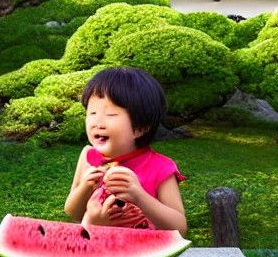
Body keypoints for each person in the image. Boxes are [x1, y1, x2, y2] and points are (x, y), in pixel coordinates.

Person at [64, 67, 187, 234]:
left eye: (111, 114)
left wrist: (139, 197)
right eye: (92, 112)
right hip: (94, 250)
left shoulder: (162, 168)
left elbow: (179, 227)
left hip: (143, 252)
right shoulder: (88, 157)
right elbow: (73, 212)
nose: (97, 122)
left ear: (140, 128)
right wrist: (85, 188)